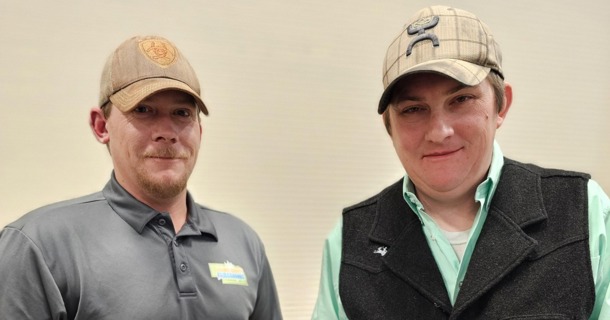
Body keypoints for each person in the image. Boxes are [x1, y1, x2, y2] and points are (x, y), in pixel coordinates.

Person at [312, 5, 610, 320]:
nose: (439, 132)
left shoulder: (582, 213)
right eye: (413, 109)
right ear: (389, 125)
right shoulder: (349, 243)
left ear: (501, 105)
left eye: (461, 100)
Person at [0, 35, 282, 320]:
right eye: (143, 110)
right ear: (101, 126)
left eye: (182, 113)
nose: (167, 131)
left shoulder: (243, 243)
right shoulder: (39, 246)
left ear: (200, 131)